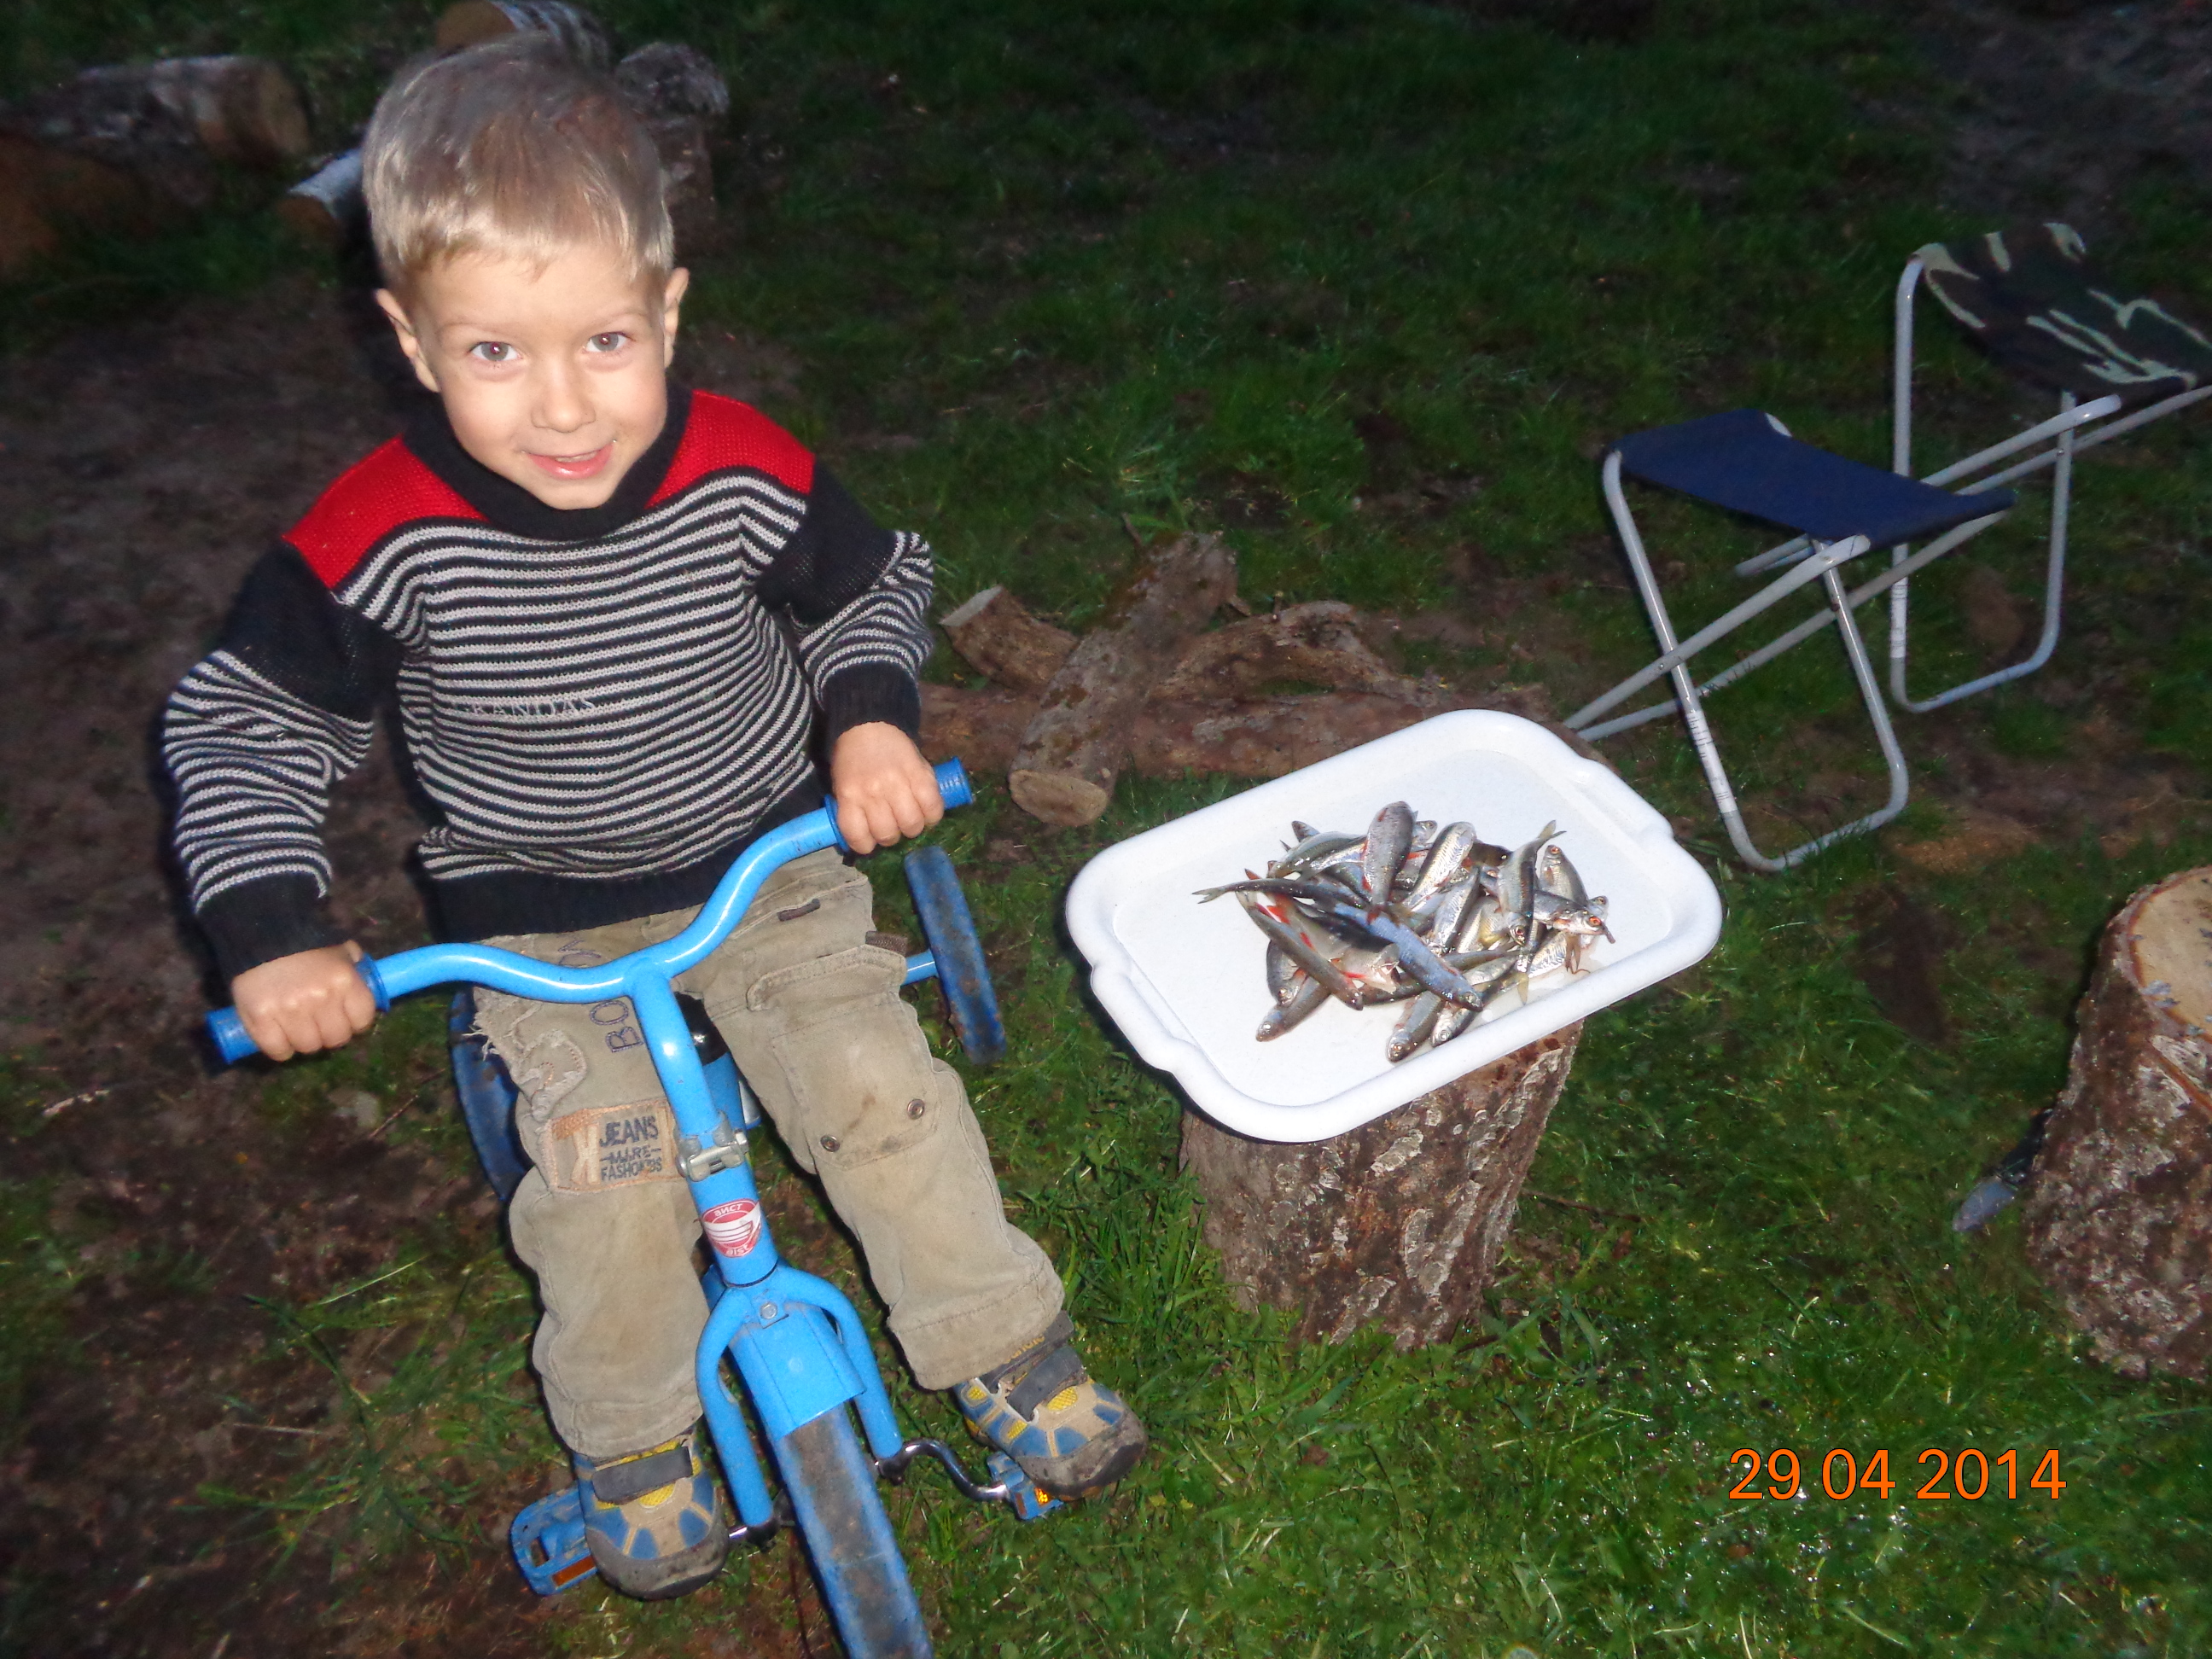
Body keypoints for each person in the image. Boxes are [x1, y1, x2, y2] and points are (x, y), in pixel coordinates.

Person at [160, 36, 1144, 1602]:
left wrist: (869, 716)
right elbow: (246, 724)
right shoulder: (374, 540)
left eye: (607, 342)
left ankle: (1003, 1340)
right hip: (536, 915)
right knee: (603, 1181)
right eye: (496, 353)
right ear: (410, 340)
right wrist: (273, 932)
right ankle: (629, 1435)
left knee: (881, 1092)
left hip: (767, 861)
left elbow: (869, 584)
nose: (564, 408)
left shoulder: (739, 467)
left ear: (668, 314)